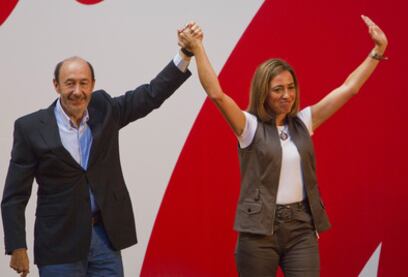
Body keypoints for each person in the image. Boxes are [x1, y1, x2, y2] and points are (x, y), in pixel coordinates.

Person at [178, 15, 387, 276]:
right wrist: (197, 49)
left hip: (301, 228)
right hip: (258, 233)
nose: (287, 95)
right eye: (278, 89)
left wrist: (377, 51)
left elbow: (349, 88)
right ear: (263, 91)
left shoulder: (303, 122)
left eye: (291, 88)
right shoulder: (249, 126)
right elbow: (217, 94)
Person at [1, 22, 200, 277]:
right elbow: (14, 195)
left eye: (84, 83)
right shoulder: (30, 127)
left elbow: (150, 95)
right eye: (70, 83)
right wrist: (17, 246)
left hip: (104, 239)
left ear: (93, 84)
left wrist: (184, 55)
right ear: (56, 85)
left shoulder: (104, 109)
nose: (77, 91)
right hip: (59, 246)